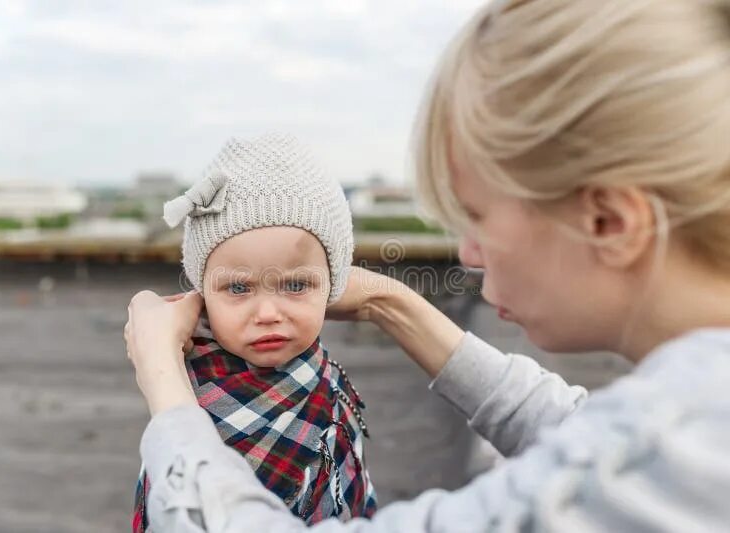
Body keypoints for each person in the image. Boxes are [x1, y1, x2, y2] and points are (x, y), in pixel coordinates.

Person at [123, 0, 730, 530]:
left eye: (477, 214)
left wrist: (165, 385)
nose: (467, 253)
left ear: (608, 222)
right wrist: (393, 301)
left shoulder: (674, 455)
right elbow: (573, 428)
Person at [130, 133, 376, 533]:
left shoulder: (319, 376)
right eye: (238, 288)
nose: (267, 313)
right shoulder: (192, 394)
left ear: (331, 285)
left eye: (296, 286)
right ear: (201, 293)